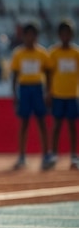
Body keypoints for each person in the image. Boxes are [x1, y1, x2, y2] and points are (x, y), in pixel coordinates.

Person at [10, 22, 54, 170]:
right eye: (27, 35)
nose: (30, 38)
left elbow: (48, 74)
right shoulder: (18, 54)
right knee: (24, 124)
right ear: (23, 37)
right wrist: (14, 94)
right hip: (24, 89)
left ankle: (46, 155)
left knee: (42, 122)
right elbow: (14, 75)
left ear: (36, 36)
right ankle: (22, 156)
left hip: (38, 89)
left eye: (32, 35)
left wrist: (48, 91)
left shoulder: (42, 53)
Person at [47, 19, 79, 170]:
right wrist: (49, 92)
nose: (65, 36)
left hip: (72, 95)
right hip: (58, 94)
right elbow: (49, 74)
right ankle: (53, 154)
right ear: (59, 35)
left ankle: (74, 156)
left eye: (68, 34)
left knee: (72, 126)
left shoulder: (76, 53)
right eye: (63, 34)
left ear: (72, 35)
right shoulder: (53, 53)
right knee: (57, 125)